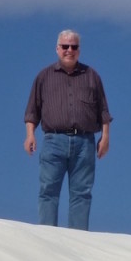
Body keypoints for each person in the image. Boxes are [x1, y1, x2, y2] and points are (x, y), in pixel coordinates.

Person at [24, 29, 112, 230]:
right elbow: (32, 111)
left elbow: (104, 111)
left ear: (79, 50)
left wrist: (105, 137)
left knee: (82, 193)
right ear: (57, 49)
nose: (69, 50)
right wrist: (30, 135)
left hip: (85, 142)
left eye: (74, 47)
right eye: (65, 46)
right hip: (54, 141)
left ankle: (78, 240)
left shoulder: (91, 76)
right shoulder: (44, 77)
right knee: (48, 190)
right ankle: (47, 235)